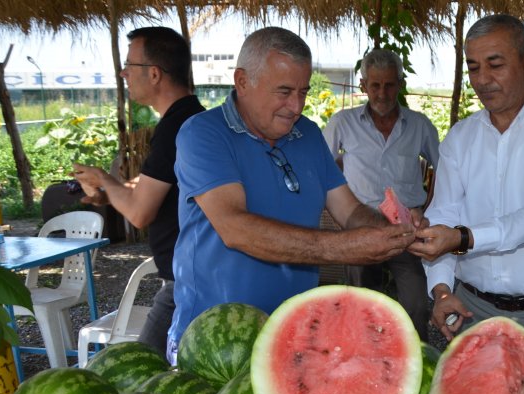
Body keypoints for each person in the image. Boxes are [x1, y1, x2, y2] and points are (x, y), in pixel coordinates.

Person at [169, 27, 416, 360]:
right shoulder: (203, 133)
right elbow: (236, 229)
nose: (296, 106)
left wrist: (391, 230)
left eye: (303, 91)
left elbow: (349, 211)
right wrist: (345, 249)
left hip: (293, 337)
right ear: (242, 81)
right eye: (284, 91)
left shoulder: (309, 134)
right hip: (214, 341)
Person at [408, 15, 524, 354]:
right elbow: (444, 214)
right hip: (471, 310)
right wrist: (442, 292)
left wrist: (462, 238)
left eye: (495, 65)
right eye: (474, 68)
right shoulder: (461, 137)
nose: (483, 80)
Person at [73, 27, 205, 356]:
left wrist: (105, 179)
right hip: (193, 274)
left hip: (186, 283)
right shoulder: (192, 118)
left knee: (145, 371)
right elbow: (149, 191)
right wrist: (111, 191)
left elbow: (139, 211)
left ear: (155, 74)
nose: (123, 73)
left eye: (129, 65)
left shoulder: (176, 127)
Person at [322, 49, 439, 341]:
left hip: (407, 229)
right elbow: (322, 170)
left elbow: (445, 170)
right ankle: (365, 359)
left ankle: (416, 360)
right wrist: (338, 213)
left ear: (400, 84)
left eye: (389, 84)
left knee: (415, 305)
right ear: (363, 86)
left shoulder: (420, 125)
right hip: (360, 226)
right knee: (362, 304)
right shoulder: (343, 123)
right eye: (375, 85)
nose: (382, 93)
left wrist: (429, 209)